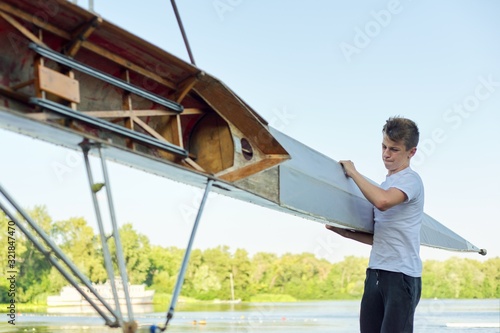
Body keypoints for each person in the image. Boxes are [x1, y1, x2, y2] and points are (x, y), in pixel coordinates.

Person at [326, 116, 423, 333]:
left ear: (411, 152)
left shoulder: (410, 180)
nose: (386, 154)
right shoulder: (385, 185)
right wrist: (347, 233)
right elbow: (380, 237)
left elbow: (382, 202)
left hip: (402, 277)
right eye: (384, 146)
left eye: (394, 149)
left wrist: (353, 172)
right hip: (376, 273)